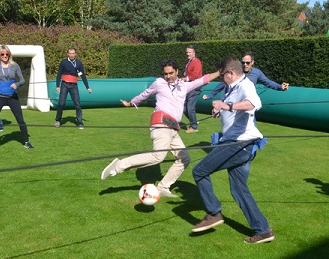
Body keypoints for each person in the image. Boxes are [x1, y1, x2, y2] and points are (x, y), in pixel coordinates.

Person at [101, 59, 220, 198]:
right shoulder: (159, 83)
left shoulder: (184, 86)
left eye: (171, 73)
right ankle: (119, 165)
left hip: (173, 129)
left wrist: (220, 72)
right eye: (165, 74)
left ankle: (163, 187)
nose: (168, 76)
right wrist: (131, 103)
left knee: (184, 158)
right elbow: (145, 94)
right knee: (158, 156)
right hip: (161, 124)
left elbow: (203, 79)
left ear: (176, 71)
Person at [191, 56, 274, 244]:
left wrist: (226, 105)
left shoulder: (245, 85)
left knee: (199, 171)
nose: (221, 79)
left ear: (230, 73)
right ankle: (263, 231)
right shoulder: (231, 87)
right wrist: (221, 110)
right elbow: (232, 109)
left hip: (239, 144)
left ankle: (213, 214)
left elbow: (254, 104)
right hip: (239, 143)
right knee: (239, 189)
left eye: (223, 76)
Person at [203, 51, 289, 100]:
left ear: (252, 62)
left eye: (247, 63)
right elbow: (223, 83)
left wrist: (280, 87)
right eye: (243, 62)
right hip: (234, 102)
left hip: (248, 103)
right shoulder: (236, 71)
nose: (245, 65)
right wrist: (211, 95)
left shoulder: (257, 73)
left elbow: (268, 82)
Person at [54, 48, 92, 129]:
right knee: (61, 104)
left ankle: (80, 123)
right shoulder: (63, 62)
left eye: (73, 53)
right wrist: (57, 85)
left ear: (75, 54)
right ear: (68, 54)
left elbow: (83, 75)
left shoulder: (79, 63)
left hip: (74, 86)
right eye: (70, 53)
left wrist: (87, 87)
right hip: (64, 85)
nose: (71, 55)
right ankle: (58, 120)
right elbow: (59, 74)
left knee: (77, 104)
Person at [182, 45, 203, 133]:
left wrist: (185, 79)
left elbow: (194, 75)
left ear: (194, 53)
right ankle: (194, 120)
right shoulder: (189, 62)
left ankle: (194, 127)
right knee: (183, 108)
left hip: (195, 88)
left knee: (190, 108)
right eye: (187, 52)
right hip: (189, 87)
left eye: (189, 52)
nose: (188, 54)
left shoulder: (196, 62)